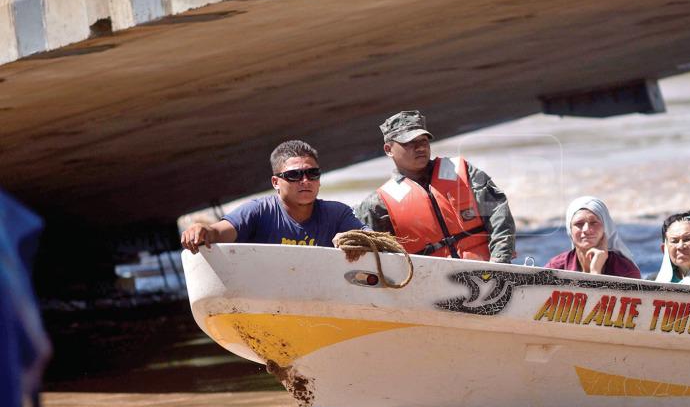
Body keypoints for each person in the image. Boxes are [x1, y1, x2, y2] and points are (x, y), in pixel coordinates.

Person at [356, 111, 515, 263]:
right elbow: (370, 258)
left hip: (486, 272)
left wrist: (499, 261)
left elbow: (498, 213)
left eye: (423, 141)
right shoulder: (377, 205)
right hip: (430, 281)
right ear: (388, 150)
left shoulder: (462, 171)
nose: (420, 148)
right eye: (409, 143)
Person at [181, 140, 365, 252]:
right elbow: (217, 233)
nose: (305, 181)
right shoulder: (257, 211)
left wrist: (356, 241)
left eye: (313, 173)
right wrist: (201, 230)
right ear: (275, 182)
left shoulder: (338, 214)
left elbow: (373, 240)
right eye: (294, 175)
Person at [545, 196, 641, 278]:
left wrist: (595, 271)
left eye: (594, 223)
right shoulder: (555, 269)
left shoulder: (627, 273)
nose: (586, 229)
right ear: (570, 230)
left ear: (606, 227)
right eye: (579, 223)